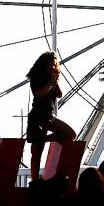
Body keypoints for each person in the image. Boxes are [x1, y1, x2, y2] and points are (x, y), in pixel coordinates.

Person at [25, 52, 76, 181]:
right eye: (51, 62)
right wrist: (51, 81)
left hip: (47, 114)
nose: (54, 64)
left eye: (55, 62)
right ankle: (35, 180)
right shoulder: (37, 77)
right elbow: (39, 94)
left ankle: (44, 139)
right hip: (40, 115)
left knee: (70, 135)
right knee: (37, 152)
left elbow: (59, 94)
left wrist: (55, 80)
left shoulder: (52, 78)